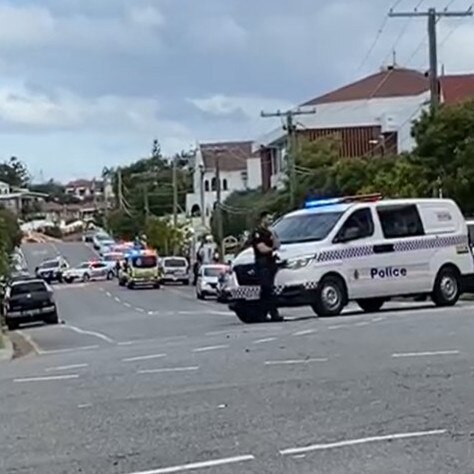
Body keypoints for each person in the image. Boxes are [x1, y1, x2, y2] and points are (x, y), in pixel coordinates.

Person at [251, 211, 283, 322]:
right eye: (268, 219)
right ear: (262, 219)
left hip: (270, 263)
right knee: (267, 289)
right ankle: (270, 314)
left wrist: (273, 235)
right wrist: (272, 249)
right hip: (262, 263)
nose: (270, 221)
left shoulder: (270, 232)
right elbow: (261, 248)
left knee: (268, 290)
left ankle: (265, 314)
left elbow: (277, 244)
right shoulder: (257, 233)